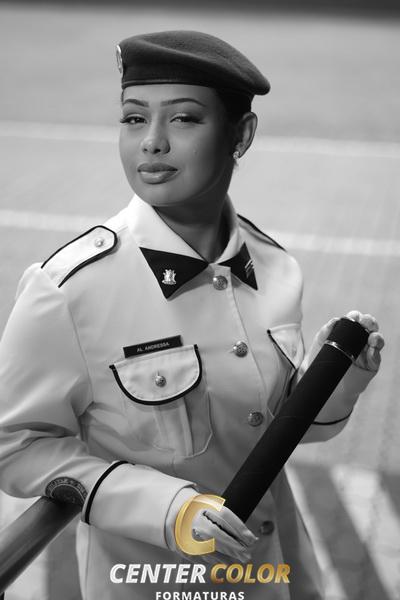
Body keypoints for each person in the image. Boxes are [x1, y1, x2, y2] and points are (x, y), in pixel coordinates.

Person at [0, 31, 384, 600]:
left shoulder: (275, 267)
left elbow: (275, 430)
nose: (152, 142)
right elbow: (16, 448)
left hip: (279, 577)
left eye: (183, 119)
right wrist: (169, 509)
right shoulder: (68, 290)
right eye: (133, 119)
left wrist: (337, 380)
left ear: (241, 135)